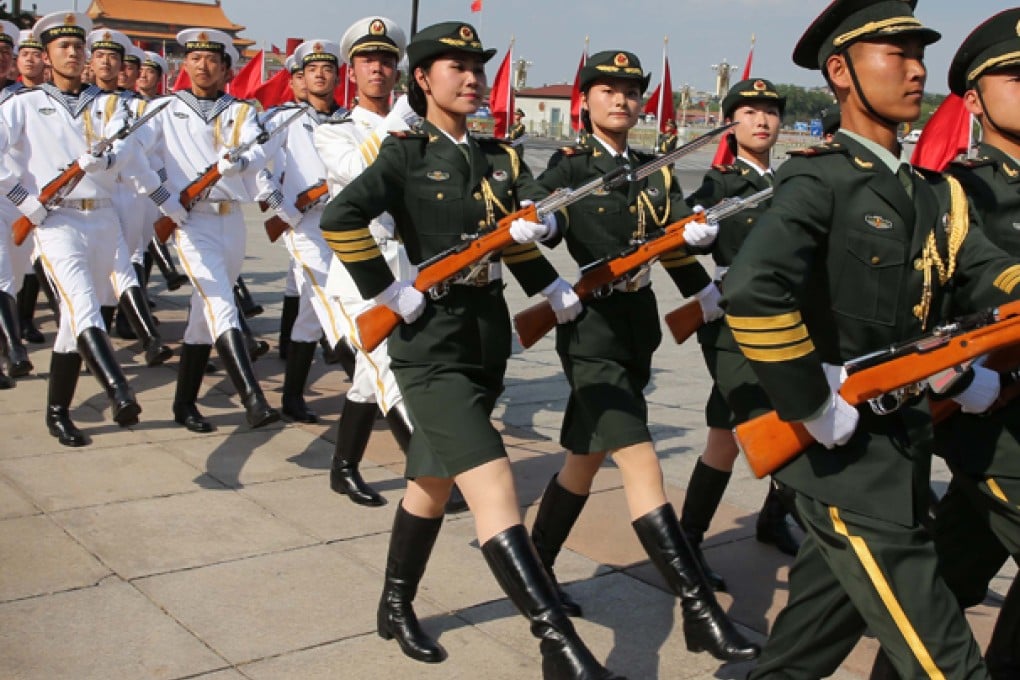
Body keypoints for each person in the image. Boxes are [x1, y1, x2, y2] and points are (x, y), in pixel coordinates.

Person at [722, 1, 1020, 676]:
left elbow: (985, 270)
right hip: (843, 465)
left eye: (919, 57)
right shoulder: (818, 178)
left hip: (901, 452)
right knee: (947, 661)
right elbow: (751, 289)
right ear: (841, 72)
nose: (916, 71)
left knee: (800, 657)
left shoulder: (932, 194)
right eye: (896, 55)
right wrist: (810, 400)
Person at [321, 21, 623, 679]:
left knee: (430, 483)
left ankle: (394, 603)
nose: (471, 78)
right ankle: (562, 650)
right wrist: (385, 291)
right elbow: (338, 217)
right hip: (427, 342)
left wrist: (547, 274)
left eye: (477, 68)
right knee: (495, 491)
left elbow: (507, 241)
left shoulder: (499, 158)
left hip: (484, 334)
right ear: (421, 79)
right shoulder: (403, 153)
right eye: (454, 67)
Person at [529, 49, 759, 664]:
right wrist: (544, 230)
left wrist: (701, 270)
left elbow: (676, 238)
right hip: (591, 327)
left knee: (582, 460)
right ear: (586, 101)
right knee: (640, 461)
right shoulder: (571, 164)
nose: (622, 100)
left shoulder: (653, 171)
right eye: (608, 90)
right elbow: (532, 214)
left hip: (636, 326)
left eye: (631, 90)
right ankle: (697, 609)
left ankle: (537, 570)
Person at [312, 16, 467, 513]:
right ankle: (436, 476)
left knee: (367, 379)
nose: (377, 69)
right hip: (365, 269)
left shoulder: (421, 126)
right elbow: (361, 173)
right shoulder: (334, 131)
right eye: (366, 60)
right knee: (389, 374)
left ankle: (342, 468)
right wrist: (401, 124)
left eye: (385, 60)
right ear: (350, 70)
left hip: (412, 263)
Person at [0, 11, 165, 445]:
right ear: (46, 56)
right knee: (82, 304)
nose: (74, 53)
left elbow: (131, 157)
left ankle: (57, 411)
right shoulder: (22, 105)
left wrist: (107, 160)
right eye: (64, 47)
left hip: (105, 217)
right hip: (55, 220)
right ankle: (119, 389)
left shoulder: (110, 105)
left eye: (79, 47)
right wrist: (26, 202)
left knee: (75, 323)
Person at [678, 78, 797, 594]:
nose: (762, 121)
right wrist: (692, 231)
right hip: (734, 326)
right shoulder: (720, 184)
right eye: (749, 112)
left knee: (739, 434)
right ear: (732, 123)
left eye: (770, 111)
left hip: (791, 322)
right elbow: (682, 228)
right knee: (754, 431)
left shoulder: (794, 182)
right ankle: (686, 542)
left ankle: (770, 518)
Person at [929, 10, 1020, 677]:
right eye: (1015, 76)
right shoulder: (957, 191)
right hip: (990, 420)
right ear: (973, 100)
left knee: (943, 586)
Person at [144, 27, 280, 432]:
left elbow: (260, 149)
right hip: (190, 219)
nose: (203, 66)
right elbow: (135, 160)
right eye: (195, 58)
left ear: (226, 69)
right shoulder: (165, 109)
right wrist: (164, 199)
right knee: (222, 304)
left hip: (231, 220)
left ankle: (184, 404)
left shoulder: (241, 111)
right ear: (185, 64)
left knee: (203, 319)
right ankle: (252, 397)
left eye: (212, 60)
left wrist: (243, 162)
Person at [256, 38, 354, 425]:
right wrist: (283, 207)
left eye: (327, 69)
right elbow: (257, 168)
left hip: (343, 226)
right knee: (334, 307)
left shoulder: (349, 119)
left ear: (336, 75)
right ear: (300, 76)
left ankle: (292, 398)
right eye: (312, 69)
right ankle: (373, 388)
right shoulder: (282, 118)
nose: (320, 74)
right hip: (304, 226)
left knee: (310, 319)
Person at [85, 27, 172, 367]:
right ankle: (135, 335)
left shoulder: (140, 108)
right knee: (106, 269)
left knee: (127, 261)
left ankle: (107, 334)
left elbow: (153, 153)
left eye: (116, 59)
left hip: (133, 192)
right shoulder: (81, 101)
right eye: (101, 56)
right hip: (95, 193)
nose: (110, 65)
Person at [12, 27, 52, 346]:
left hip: (36, 192)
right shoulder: (12, 99)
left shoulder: (48, 100)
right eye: (23, 55)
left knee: (30, 263)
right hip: (8, 189)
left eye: (34, 55)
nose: (29, 60)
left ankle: (23, 320)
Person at [0, 20, 34, 388]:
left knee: (16, 276)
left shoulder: (24, 100)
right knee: (2, 277)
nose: (0, 60)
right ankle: (14, 349)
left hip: (15, 200)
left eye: (4, 54)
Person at [274, 53, 306, 363]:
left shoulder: (330, 117)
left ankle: (292, 341)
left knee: (296, 279)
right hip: (292, 206)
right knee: (300, 275)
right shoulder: (281, 117)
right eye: (299, 76)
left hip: (317, 210)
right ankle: (291, 342)